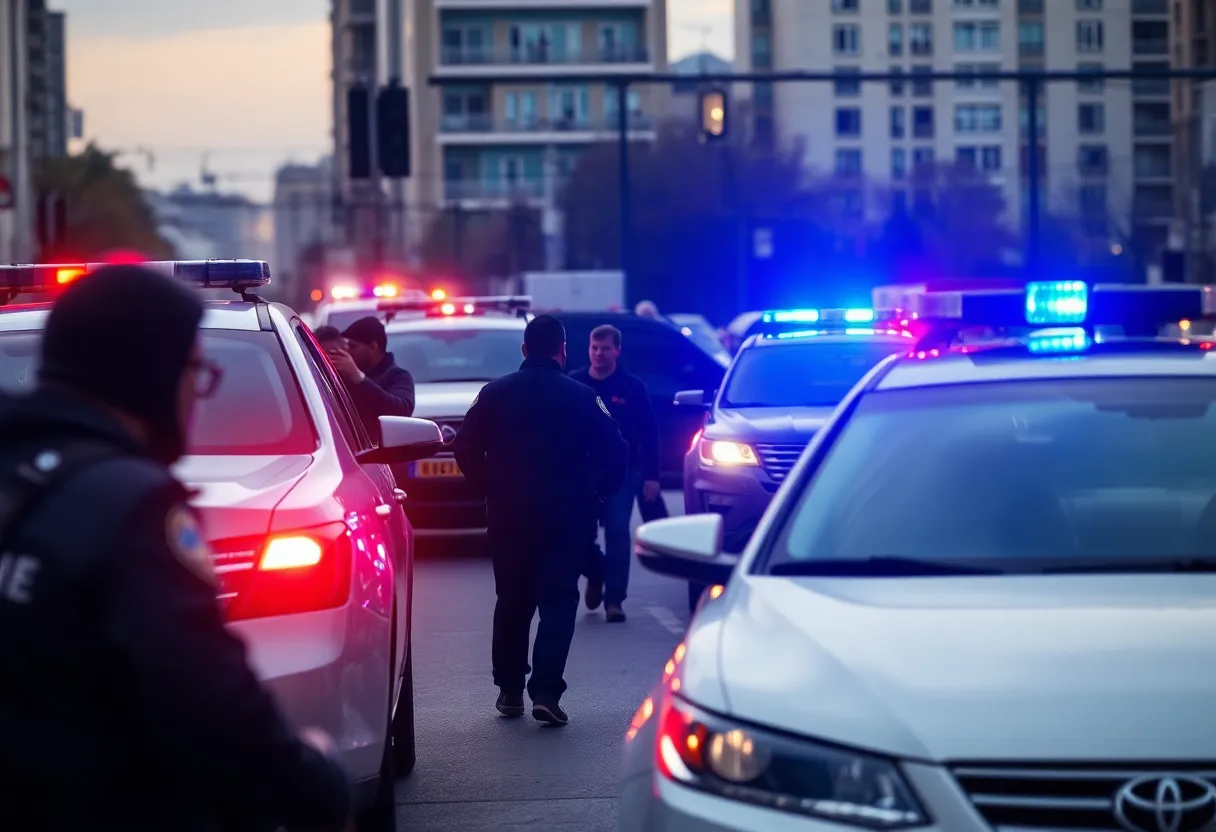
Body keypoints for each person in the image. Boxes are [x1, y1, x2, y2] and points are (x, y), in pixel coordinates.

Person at [0, 265, 352, 831]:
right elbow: (209, 701)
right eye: (195, 370)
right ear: (151, 372)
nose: (197, 390)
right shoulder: (132, 507)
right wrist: (315, 781)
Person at [452, 314, 627, 727]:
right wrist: (597, 494)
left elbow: (463, 448)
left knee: (512, 600)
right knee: (559, 601)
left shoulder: (494, 394)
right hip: (567, 517)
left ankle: (510, 691)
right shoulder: (583, 396)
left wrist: (488, 487)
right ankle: (546, 692)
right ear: (563, 351)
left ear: (524, 350)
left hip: (509, 514)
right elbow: (616, 452)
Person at [570, 324, 661, 623]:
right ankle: (596, 573)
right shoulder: (575, 384)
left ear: (617, 351)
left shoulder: (632, 388)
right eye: (594, 348)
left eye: (605, 348)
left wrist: (652, 476)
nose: (599, 353)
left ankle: (614, 600)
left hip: (624, 471)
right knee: (577, 534)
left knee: (618, 529)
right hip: (583, 473)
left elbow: (650, 433)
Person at [326, 315, 416, 438]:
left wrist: (359, 378)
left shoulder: (398, 377)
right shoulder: (344, 376)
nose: (348, 352)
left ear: (373, 346)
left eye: (353, 346)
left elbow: (401, 411)